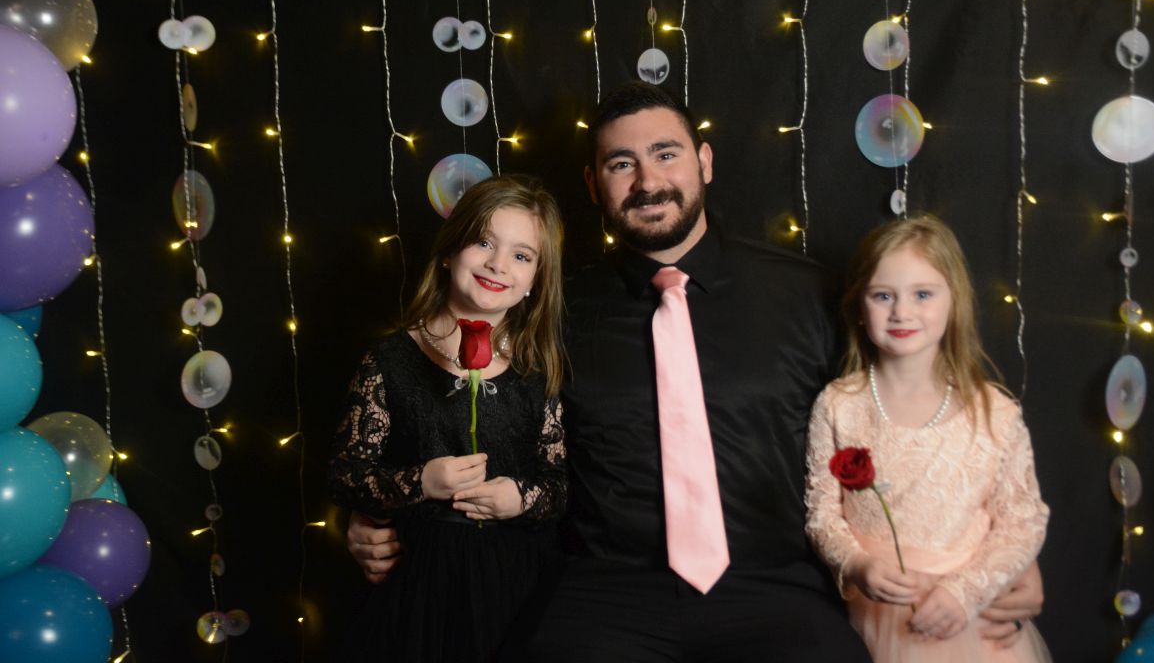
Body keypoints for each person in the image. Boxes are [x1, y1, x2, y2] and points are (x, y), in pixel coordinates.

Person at [344, 82, 1047, 658]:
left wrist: (1003, 560)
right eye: (622, 164)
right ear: (593, 184)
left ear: (704, 162)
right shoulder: (553, 311)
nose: (648, 180)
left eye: (666, 154)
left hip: (776, 585)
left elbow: (901, 413)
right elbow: (470, 415)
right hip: (609, 589)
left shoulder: (807, 295)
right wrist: (375, 514)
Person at [328, 174, 568, 662]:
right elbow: (346, 475)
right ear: (449, 252)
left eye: (522, 256)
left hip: (516, 587)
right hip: (420, 587)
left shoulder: (536, 373)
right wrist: (422, 481)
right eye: (484, 243)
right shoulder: (390, 362)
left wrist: (520, 497)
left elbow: (560, 485)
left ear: (534, 283)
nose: (498, 264)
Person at [804, 215, 1052, 661]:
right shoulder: (839, 405)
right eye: (883, 296)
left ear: (954, 301)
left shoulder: (995, 413)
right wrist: (857, 564)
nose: (901, 312)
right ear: (860, 305)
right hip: (875, 620)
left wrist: (966, 592)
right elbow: (822, 515)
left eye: (922, 294)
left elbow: (1023, 521)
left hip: (966, 617)